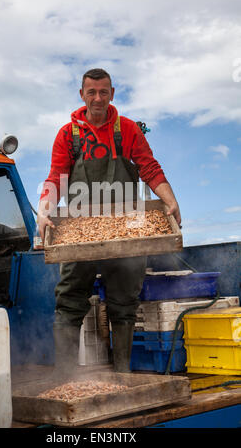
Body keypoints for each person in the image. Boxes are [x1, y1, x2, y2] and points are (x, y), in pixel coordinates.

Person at [37, 68, 181, 374]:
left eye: (104, 92)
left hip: (126, 229)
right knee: (69, 298)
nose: (98, 98)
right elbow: (56, 177)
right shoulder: (68, 134)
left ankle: (122, 374)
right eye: (92, 92)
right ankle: (66, 375)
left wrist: (170, 199)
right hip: (78, 228)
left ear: (112, 93)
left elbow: (150, 168)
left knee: (123, 301)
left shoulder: (126, 130)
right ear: (82, 95)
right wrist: (45, 209)